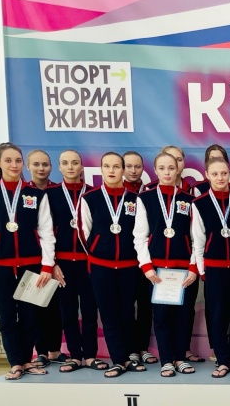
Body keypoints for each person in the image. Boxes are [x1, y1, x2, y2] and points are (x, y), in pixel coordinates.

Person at [0, 143, 56, 379]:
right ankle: (15, 363)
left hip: (32, 266)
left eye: (18, 160)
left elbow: (46, 232)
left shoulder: (36, 194)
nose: (14, 165)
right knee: (7, 316)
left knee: (31, 316)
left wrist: (47, 265)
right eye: (8, 160)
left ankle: (27, 360)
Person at [133, 152, 199, 377]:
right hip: (157, 271)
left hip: (184, 270)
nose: (167, 172)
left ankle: (180, 358)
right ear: (155, 170)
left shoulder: (189, 199)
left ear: (178, 169)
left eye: (171, 168)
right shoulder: (145, 198)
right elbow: (139, 236)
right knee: (161, 317)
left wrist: (193, 267)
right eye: (162, 168)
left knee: (183, 315)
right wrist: (146, 266)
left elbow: (196, 237)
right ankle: (167, 361)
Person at [80, 152, 145, 377]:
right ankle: (118, 360)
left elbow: (141, 232)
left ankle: (128, 358)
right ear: (101, 169)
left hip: (129, 266)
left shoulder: (135, 199)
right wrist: (97, 253)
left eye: (116, 166)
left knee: (127, 312)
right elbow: (83, 233)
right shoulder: (90, 198)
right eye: (107, 166)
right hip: (101, 266)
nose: (112, 170)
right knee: (108, 314)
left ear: (123, 170)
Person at [191, 156, 230, 378]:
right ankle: (222, 361)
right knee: (217, 315)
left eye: (224, 173)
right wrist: (202, 270)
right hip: (213, 269)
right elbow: (198, 240)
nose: (220, 178)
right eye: (215, 174)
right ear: (207, 175)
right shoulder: (200, 203)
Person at [45, 150, 98, 373]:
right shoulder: (50, 194)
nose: (70, 167)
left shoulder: (93, 194)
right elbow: (44, 231)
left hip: (88, 262)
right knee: (67, 311)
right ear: (59, 167)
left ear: (81, 166)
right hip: (63, 264)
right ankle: (75, 355)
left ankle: (90, 355)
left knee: (89, 310)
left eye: (75, 163)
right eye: (65, 163)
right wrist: (52, 263)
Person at [24, 149, 63, 369]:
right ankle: (41, 352)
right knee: (36, 305)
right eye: (36, 164)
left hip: (55, 258)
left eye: (45, 164)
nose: (41, 168)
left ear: (51, 167)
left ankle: (55, 350)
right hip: (31, 259)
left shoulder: (57, 192)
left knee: (55, 306)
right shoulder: (23, 193)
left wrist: (52, 261)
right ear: (28, 166)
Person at [123, 151, 155, 364]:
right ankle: (130, 348)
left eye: (137, 166)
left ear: (143, 168)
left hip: (148, 260)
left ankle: (143, 347)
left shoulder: (151, 193)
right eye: (129, 166)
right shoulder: (117, 193)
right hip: (124, 260)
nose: (133, 170)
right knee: (126, 305)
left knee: (145, 305)